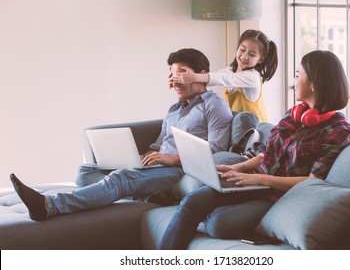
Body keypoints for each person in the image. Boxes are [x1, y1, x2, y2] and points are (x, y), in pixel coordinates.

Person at [159, 50, 350, 250]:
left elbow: (312, 180)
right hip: (255, 184)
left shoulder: (338, 131)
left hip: (278, 196)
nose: (294, 80)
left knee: (217, 224)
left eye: (298, 75)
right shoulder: (295, 114)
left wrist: (259, 179)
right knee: (192, 201)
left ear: (315, 84)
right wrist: (239, 167)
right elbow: (267, 154)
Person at [9, 48, 233, 221]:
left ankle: (48, 206)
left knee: (120, 178)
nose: (175, 80)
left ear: (201, 75)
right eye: (172, 75)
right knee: (85, 171)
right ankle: (149, 195)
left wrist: (172, 159)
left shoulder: (214, 105)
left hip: (179, 171)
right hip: (156, 168)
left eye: (181, 73)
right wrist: (140, 156)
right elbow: (159, 144)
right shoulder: (175, 108)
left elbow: (216, 151)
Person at [170, 29, 278, 121]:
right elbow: (217, 76)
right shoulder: (230, 70)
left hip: (254, 133)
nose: (244, 56)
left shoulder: (253, 77)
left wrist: (193, 77)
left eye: (252, 54)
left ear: (261, 59)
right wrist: (177, 80)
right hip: (238, 127)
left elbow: (224, 79)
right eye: (242, 49)